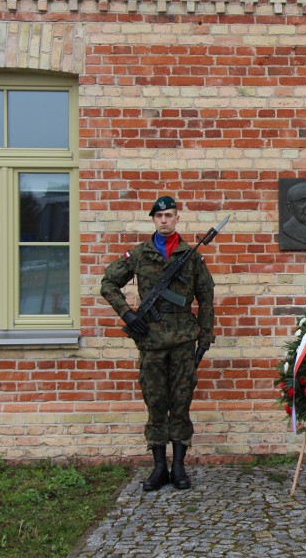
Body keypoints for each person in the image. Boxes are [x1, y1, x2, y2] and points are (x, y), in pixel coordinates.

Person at [101, 196, 215, 491]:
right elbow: (108, 283)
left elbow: (206, 298)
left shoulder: (190, 256)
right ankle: (158, 468)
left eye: (169, 215)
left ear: (177, 218)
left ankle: (178, 468)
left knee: (180, 403)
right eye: (159, 216)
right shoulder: (139, 254)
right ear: (153, 220)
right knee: (155, 403)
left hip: (182, 341)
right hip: (150, 340)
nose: (164, 220)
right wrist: (127, 314)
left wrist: (205, 338)